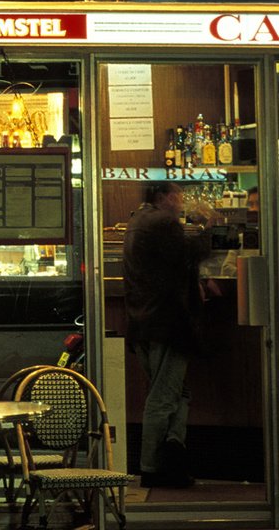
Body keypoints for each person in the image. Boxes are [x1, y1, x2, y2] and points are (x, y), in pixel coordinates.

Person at [123, 182, 217, 488]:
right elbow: (191, 253)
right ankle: (151, 467)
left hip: (142, 321)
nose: (180, 201)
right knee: (163, 397)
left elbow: (169, 266)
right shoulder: (163, 222)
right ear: (162, 197)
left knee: (176, 393)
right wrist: (211, 225)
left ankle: (174, 452)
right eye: (176, 195)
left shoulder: (139, 219)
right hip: (167, 321)